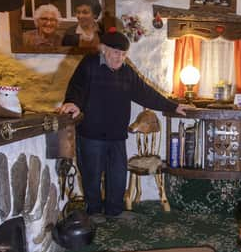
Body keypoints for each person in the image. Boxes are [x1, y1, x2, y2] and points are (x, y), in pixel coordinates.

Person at [59, 27, 189, 217]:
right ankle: (94, 214)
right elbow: (76, 87)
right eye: (115, 53)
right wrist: (72, 103)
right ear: (104, 49)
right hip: (91, 134)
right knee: (91, 177)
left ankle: (114, 212)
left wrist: (172, 106)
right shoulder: (90, 64)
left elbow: (145, 93)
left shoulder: (126, 72)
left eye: (123, 54)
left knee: (118, 178)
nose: (119, 58)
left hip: (116, 136)